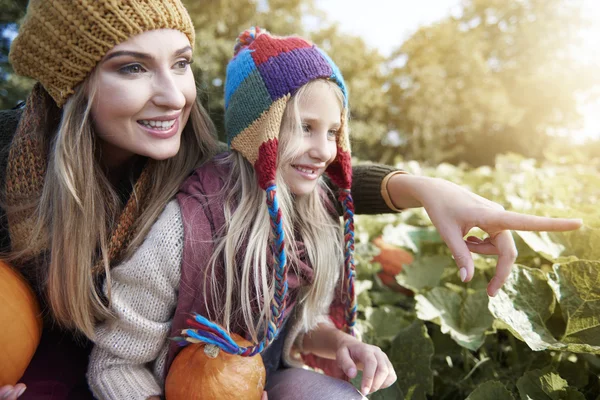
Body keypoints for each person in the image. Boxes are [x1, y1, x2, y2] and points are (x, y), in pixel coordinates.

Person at [0, 2, 582, 399]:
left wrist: (426, 188)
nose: (173, 94)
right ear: (72, 85)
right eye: (131, 67)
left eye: (180, 63)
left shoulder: (196, 157)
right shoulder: (16, 162)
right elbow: (116, 364)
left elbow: (288, 170)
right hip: (86, 362)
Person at [88, 27, 396, 400]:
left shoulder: (313, 217)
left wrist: (340, 342)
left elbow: (296, 328)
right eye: (305, 128)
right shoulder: (185, 231)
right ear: (259, 133)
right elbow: (115, 365)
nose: (323, 150)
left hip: (268, 378)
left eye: (332, 132)